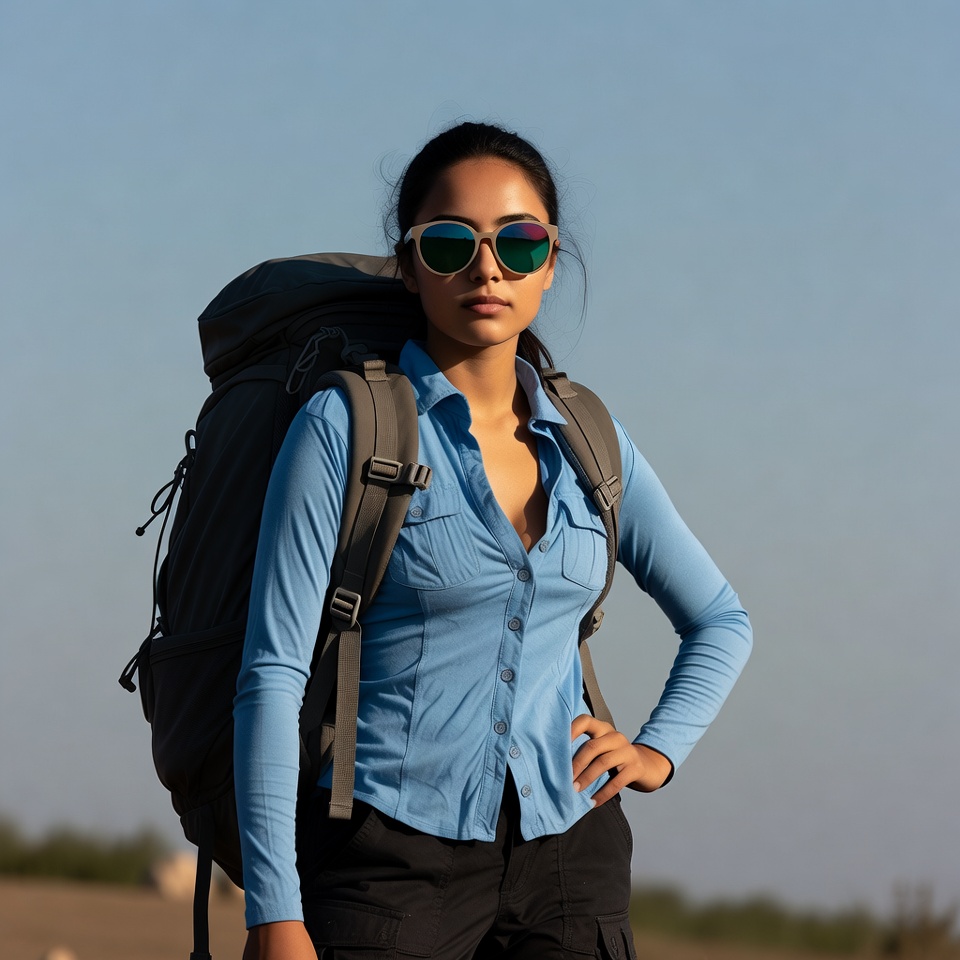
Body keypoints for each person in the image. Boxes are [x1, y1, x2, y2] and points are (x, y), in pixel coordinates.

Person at [234, 121, 753, 959]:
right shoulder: (344, 427)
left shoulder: (594, 442)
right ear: (408, 266)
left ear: (550, 263)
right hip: (387, 859)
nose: (486, 267)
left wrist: (658, 750)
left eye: (518, 242)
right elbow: (273, 672)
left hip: (571, 857)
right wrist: (274, 911)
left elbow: (721, 621)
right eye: (449, 244)